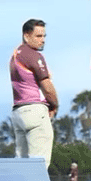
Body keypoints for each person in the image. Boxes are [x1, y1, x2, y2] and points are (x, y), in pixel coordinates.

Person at [9, 18, 59, 169]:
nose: (42, 40)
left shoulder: (15, 55)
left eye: (44, 36)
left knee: (21, 165)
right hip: (35, 110)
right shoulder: (33, 55)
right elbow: (46, 86)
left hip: (18, 111)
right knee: (39, 165)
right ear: (26, 36)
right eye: (38, 36)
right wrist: (55, 104)